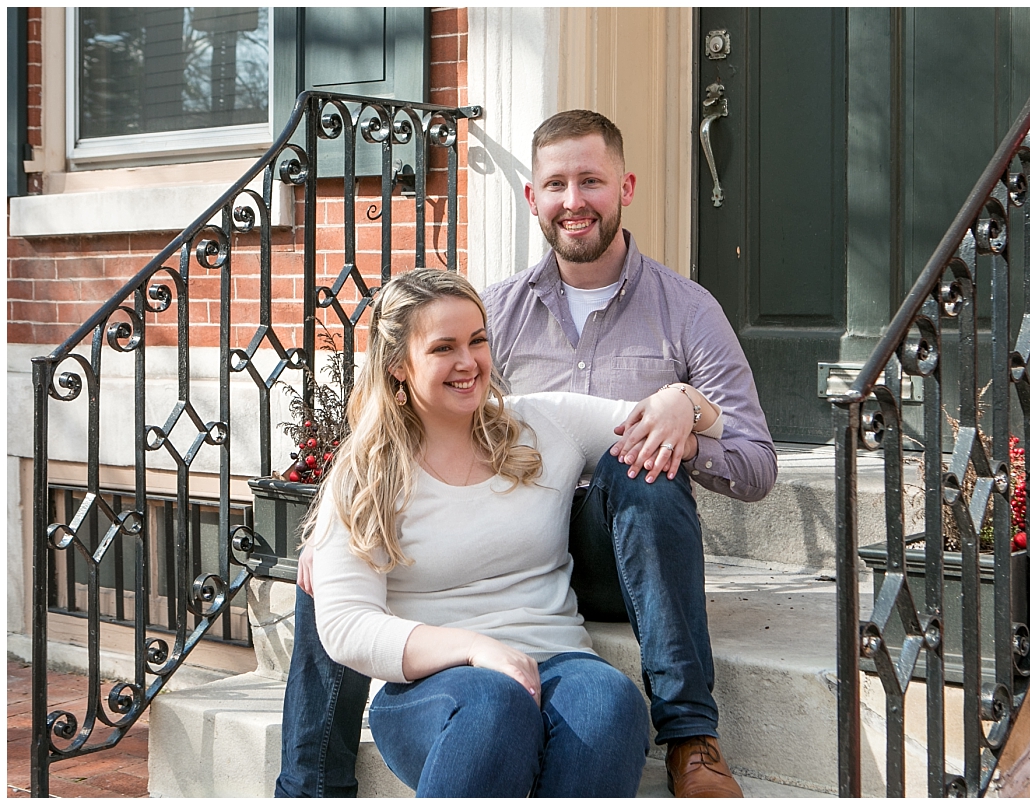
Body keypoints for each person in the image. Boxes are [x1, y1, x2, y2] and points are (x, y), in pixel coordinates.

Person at [303, 268, 723, 797]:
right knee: (495, 703)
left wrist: (680, 401)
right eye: (443, 347)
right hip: (438, 689)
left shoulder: (543, 425)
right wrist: (476, 649)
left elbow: (711, 423)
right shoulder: (366, 474)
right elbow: (344, 625)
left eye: (477, 340)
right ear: (398, 368)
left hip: (560, 662)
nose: (468, 362)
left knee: (610, 702)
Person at [481, 110, 776, 798]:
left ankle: (691, 739)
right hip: (517, 557)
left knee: (638, 457)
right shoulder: (494, 313)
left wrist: (688, 416)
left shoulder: (687, 309)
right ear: (533, 198)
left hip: (625, 555)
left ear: (626, 187)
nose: (573, 201)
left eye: (591, 180)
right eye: (555, 184)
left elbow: (758, 464)